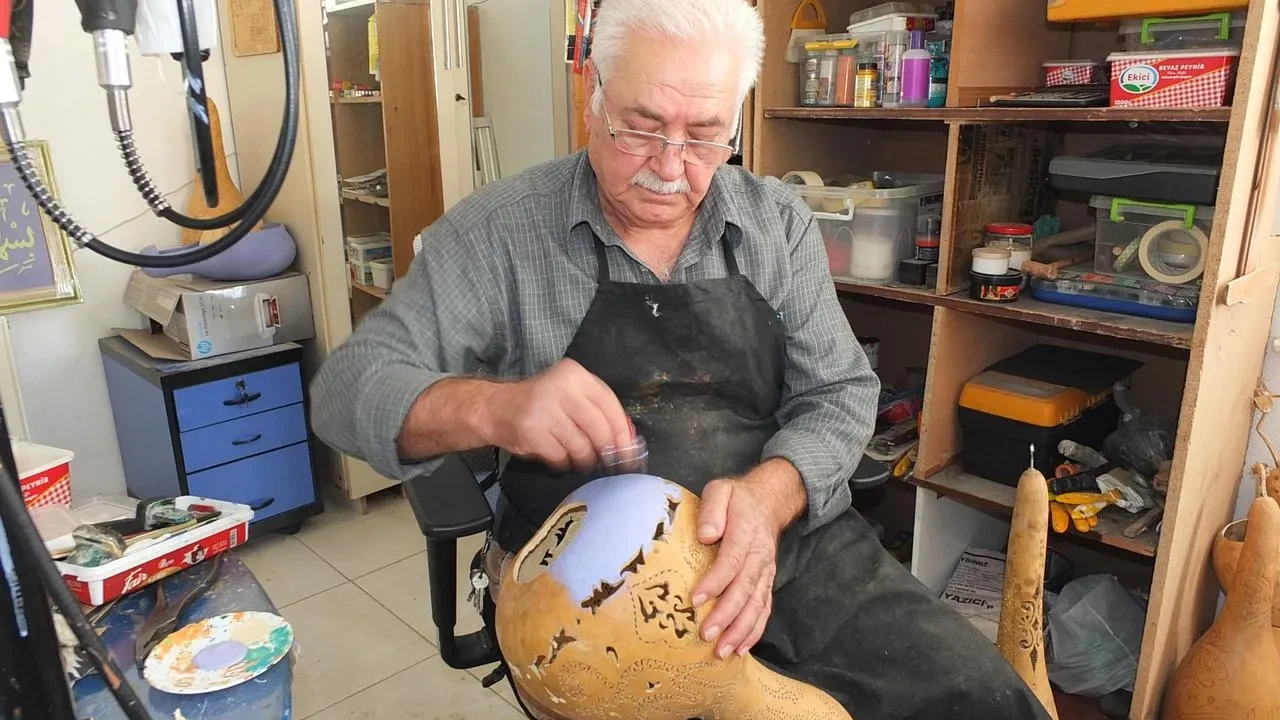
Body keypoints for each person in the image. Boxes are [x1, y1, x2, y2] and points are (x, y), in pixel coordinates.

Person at [309, 1, 1051, 718]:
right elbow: (345, 392)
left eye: (704, 136)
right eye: (640, 127)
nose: (670, 167)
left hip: (775, 545)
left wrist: (774, 493)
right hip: (592, 590)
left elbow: (840, 390)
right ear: (594, 94)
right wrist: (492, 407)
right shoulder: (498, 233)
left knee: (983, 699)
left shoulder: (777, 224)